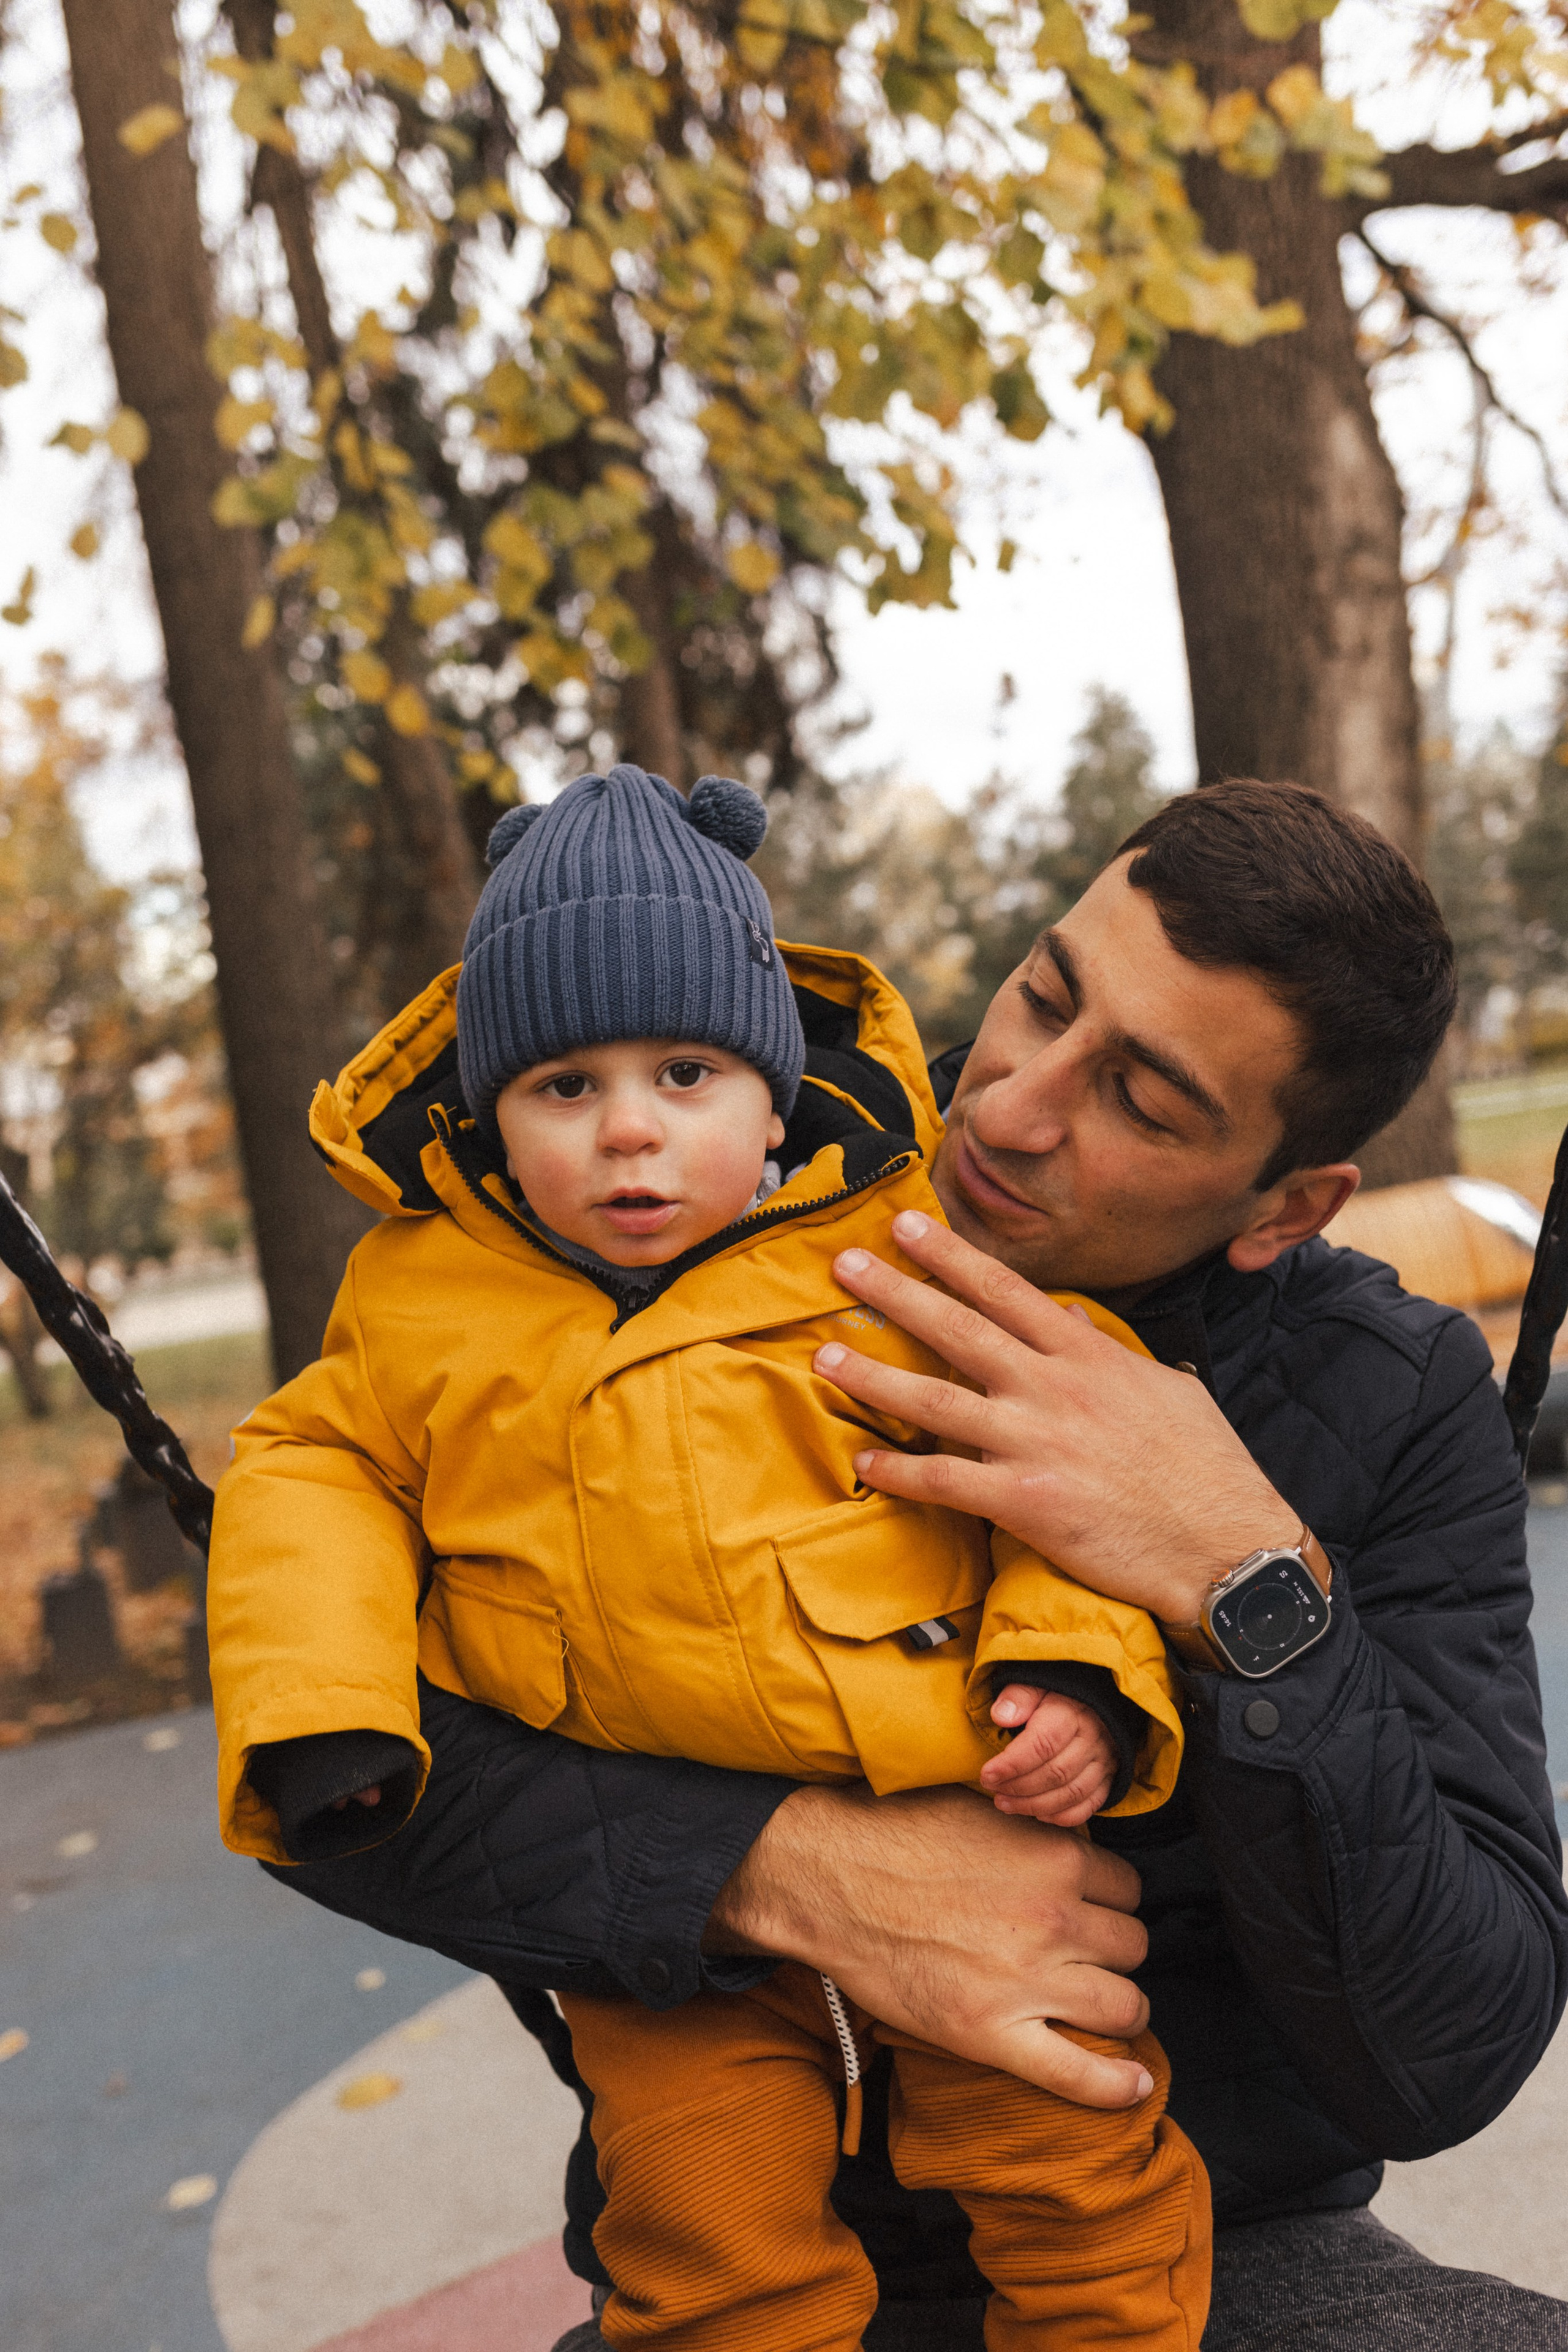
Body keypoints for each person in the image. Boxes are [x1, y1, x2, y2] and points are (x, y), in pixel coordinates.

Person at [243, 777, 1568, 2352]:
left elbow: (1450, 2049)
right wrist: (782, 1871)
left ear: (1286, 1207)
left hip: (1198, 2234)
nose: (1004, 1107)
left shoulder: (1385, 1393)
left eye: (1141, 1102)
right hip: (734, 2240)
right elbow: (349, 1794)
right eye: (1042, 994)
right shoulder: (736, 1211)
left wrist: (1243, 1583)